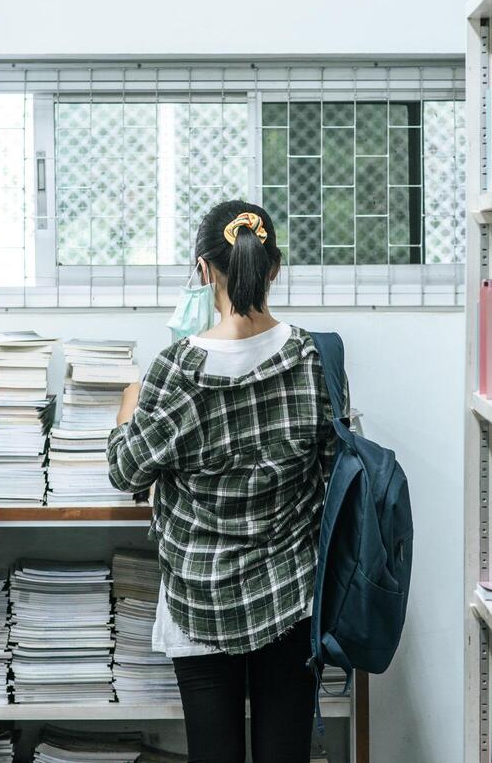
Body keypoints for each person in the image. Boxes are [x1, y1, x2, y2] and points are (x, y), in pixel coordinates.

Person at [106, 200, 342, 763]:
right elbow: (330, 475)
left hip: (200, 598)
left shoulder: (175, 369)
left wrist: (127, 406)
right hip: (290, 595)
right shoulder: (315, 358)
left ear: (204, 269)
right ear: (274, 269)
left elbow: (125, 471)